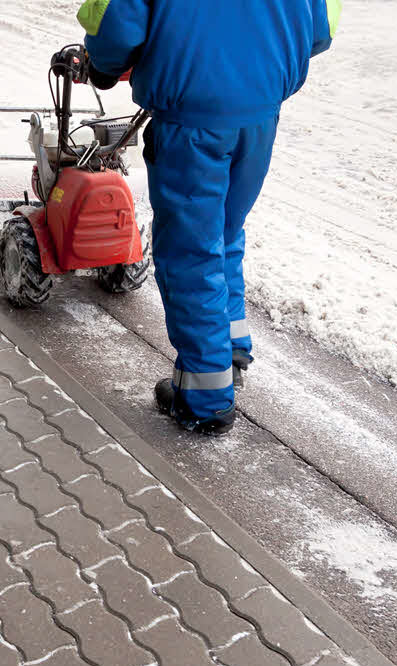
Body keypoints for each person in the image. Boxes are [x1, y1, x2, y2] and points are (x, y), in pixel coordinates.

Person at [78, 0, 341, 434]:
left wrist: (103, 65)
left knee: (189, 253)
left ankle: (205, 398)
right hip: (259, 113)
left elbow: (114, 25)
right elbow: (322, 29)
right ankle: (231, 344)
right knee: (223, 230)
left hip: (191, 121)